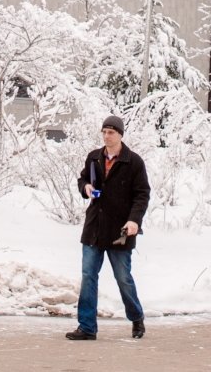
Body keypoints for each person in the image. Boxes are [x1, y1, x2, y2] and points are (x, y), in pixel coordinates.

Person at [68, 115, 150, 341]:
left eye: (111, 132)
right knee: (88, 276)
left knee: (123, 278)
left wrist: (134, 220)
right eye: (104, 131)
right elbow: (82, 179)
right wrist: (85, 188)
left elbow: (142, 195)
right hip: (94, 226)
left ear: (120, 135)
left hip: (121, 230)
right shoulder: (93, 157)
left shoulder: (133, 162)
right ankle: (86, 327)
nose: (106, 135)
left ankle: (136, 318)